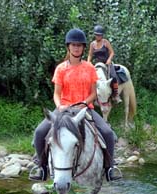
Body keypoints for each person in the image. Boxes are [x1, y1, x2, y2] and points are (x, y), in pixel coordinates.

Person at [31, 28, 121, 182]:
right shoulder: (61, 69)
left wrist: (85, 103)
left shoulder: (89, 68)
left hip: (84, 109)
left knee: (107, 133)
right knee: (40, 132)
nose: (76, 48)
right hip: (64, 108)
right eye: (73, 45)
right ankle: (41, 167)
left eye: (79, 45)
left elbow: (94, 93)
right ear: (68, 46)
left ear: (83, 48)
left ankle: (110, 168)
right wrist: (59, 106)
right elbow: (56, 94)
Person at [87, 25, 121, 103]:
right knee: (89, 78)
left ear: (102, 35)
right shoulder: (92, 44)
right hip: (97, 64)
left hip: (106, 63)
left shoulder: (105, 42)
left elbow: (112, 52)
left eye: (99, 35)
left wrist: (109, 59)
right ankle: (91, 96)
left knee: (113, 76)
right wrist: (89, 62)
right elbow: (90, 55)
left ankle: (115, 94)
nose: (98, 36)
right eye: (96, 35)